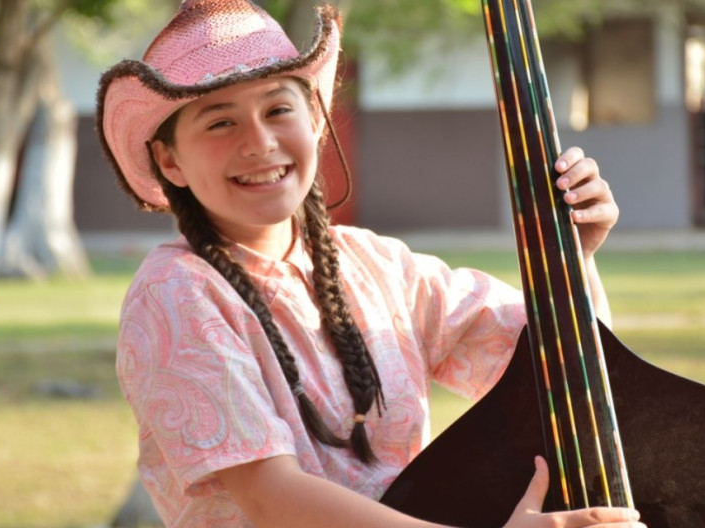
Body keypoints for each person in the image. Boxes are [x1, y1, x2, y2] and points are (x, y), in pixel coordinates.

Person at [97, 1, 641, 527]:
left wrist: (572, 260)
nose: (260, 142)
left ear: (313, 119)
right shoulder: (176, 292)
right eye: (220, 123)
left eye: (278, 109)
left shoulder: (376, 263)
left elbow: (563, 375)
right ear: (170, 160)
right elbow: (273, 499)